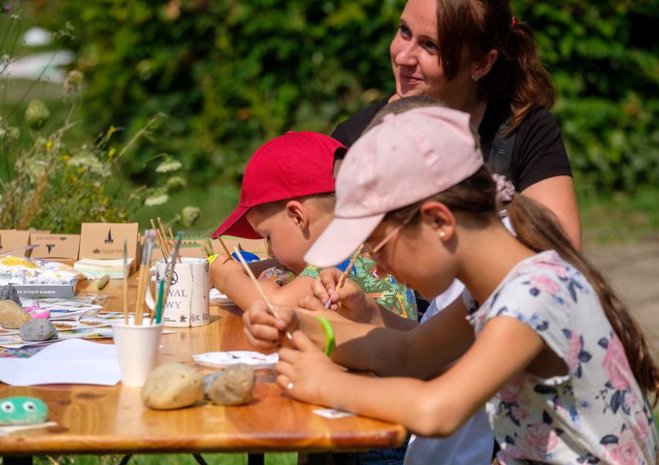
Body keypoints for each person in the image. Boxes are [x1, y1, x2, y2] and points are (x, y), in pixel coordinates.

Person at [242, 108, 659, 464]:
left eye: (377, 246)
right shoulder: (497, 285)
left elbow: (438, 410)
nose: (377, 267)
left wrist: (327, 384)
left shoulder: (532, 296)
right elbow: (409, 354)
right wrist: (300, 324)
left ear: (439, 221)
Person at [331, 0, 581, 250]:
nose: (402, 56)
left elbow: (561, 254)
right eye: (405, 31)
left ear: (482, 64)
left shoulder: (523, 128)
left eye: (430, 45)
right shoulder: (353, 141)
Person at [210, 130, 417, 319]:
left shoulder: (342, 253)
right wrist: (237, 270)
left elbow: (276, 306)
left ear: (298, 217)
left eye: (268, 237)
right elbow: (279, 265)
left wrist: (227, 277)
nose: (270, 251)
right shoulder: (355, 241)